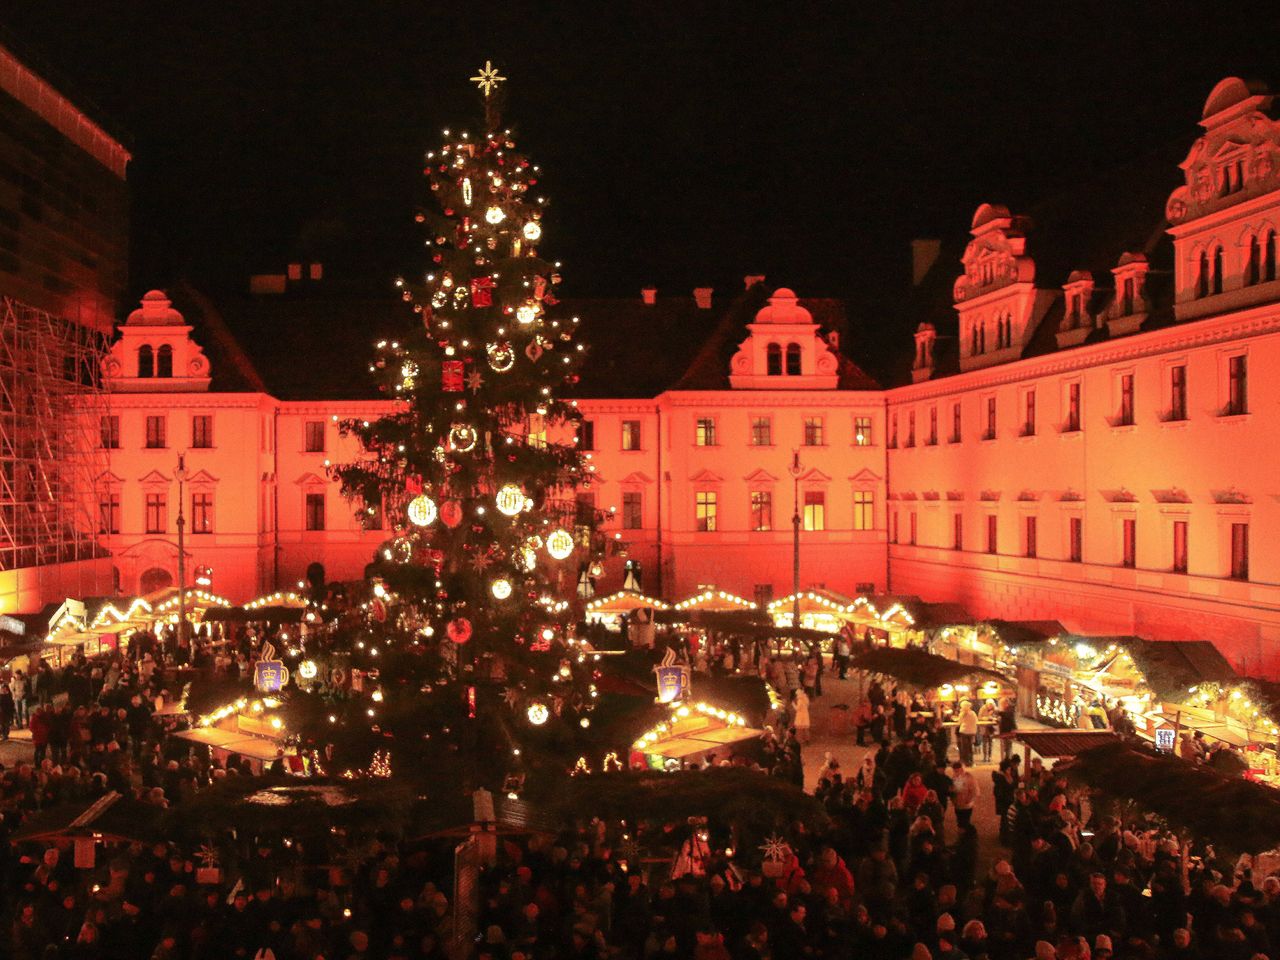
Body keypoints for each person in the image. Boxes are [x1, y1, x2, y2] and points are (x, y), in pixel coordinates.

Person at [949, 761, 979, 830]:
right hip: (957, 804)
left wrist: (969, 799)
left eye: (959, 770)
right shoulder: (953, 777)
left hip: (966, 804)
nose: (958, 773)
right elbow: (951, 789)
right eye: (955, 771)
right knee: (959, 820)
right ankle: (964, 834)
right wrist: (953, 799)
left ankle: (969, 833)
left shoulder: (969, 778)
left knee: (965, 821)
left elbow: (975, 791)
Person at [956, 700, 978, 766]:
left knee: (964, 747)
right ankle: (971, 761)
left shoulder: (962, 714)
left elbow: (959, 723)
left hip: (964, 731)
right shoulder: (973, 713)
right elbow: (976, 721)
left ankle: (965, 761)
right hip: (972, 732)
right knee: (970, 747)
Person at [997, 696, 1017, 761]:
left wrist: (998, 712)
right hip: (1007, 730)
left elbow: (1006, 715)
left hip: (1009, 730)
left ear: (1006, 703)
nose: (1001, 706)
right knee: (1007, 746)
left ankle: (1008, 759)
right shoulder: (1007, 709)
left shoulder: (1009, 709)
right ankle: (1008, 758)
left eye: (1002, 704)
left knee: (1008, 746)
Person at [977, 698, 997, 762]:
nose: (990, 706)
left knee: (991, 743)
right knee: (985, 743)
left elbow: (997, 717)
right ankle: (985, 757)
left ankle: (990, 756)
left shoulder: (995, 709)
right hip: (984, 728)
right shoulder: (983, 708)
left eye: (991, 705)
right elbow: (979, 717)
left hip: (991, 728)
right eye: (989, 705)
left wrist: (993, 718)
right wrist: (987, 718)